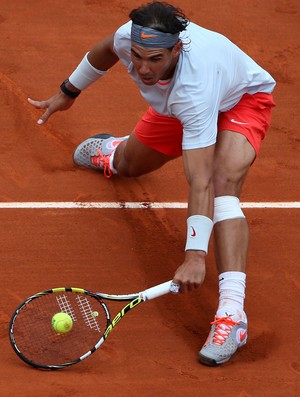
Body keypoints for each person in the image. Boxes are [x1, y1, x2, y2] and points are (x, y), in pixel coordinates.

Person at [28, 1, 276, 366]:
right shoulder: (131, 40)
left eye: (155, 59)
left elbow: (200, 180)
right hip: (175, 108)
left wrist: (195, 255)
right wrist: (68, 91)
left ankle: (231, 315)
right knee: (130, 165)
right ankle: (114, 153)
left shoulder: (195, 87)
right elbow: (105, 51)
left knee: (222, 184)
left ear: (178, 48)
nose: (143, 68)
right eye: (138, 56)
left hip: (239, 102)